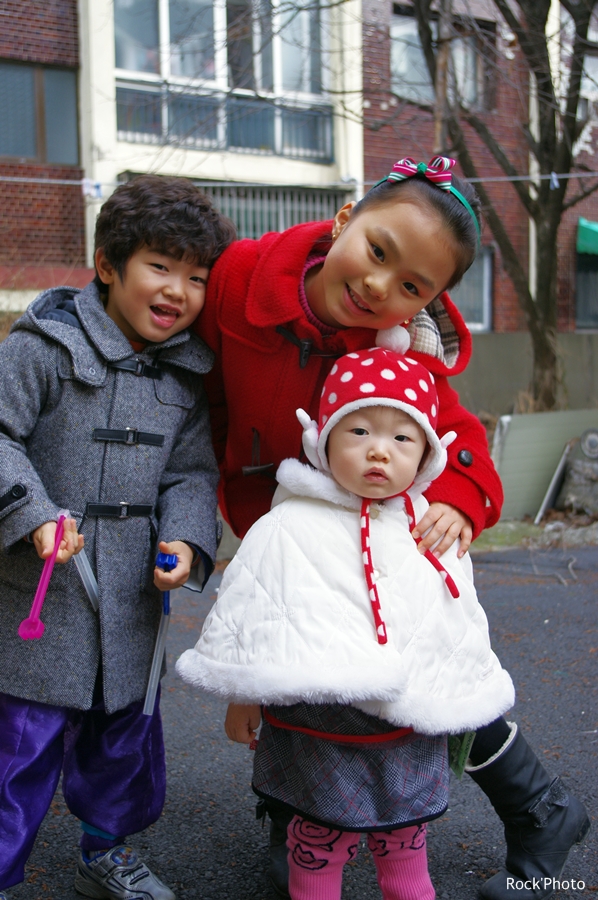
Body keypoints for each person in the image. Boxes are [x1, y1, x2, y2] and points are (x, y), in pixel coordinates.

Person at [193, 156, 590, 900]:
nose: (380, 286)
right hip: (283, 517)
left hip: (367, 529)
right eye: (377, 251)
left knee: (419, 671)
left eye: (412, 287)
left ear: (428, 302)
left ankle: (539, 806)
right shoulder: (243, 279)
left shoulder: (394, 348)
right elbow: (209, 383)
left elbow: (455, 434)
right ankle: (300, 811)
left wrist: (462, 499)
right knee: (300, 656)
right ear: (345, 219)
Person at [177, 344, 518, 900]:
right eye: (358, 431)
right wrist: (244, 693)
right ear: (324, 439)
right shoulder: (287, 524)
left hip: (405, 725)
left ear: (427, 453)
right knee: (317, 844)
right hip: (319, 723)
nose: (379, 450)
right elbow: (255, 616)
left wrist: (458, 694)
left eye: (402, 438)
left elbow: (452, 623)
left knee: (405, 845)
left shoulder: (429, 527)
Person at [0, 175, 236, 900]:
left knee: (123, 740)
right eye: (160, 267)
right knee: (19, 748)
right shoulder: (42, 348)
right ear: (108, 265)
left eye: (196, 278)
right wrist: (34, 514)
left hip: (131, 599)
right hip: (41, 596)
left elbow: (190, 473)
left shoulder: (185, 376)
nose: (178, 291)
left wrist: (187, 540)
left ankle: (106, 850)